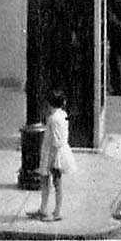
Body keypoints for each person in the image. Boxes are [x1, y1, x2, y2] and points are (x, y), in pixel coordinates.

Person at [29, 89, 77, 222]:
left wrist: (51, 161)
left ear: (50, 104)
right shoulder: (62, 114)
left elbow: (56, 141)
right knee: (54, 183)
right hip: (56, 152)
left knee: (52, 183)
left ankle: (54, 212)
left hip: (54, 154)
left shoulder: (53, 119)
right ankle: (46, 209)